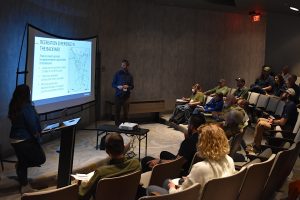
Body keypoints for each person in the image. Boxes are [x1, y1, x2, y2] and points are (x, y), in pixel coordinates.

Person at [146, 124, 235, 196]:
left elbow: (180, 194)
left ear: (203, 144)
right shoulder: (230, 160)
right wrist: (190, 179)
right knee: (166, 182)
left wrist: (172, 188)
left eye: (199, 140)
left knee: (151, 188)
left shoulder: (200, 168)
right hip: (216, 195)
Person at [79, 133, 141, 200]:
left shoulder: (101, 173)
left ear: (107, 151)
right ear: (123, 147)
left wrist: (82, 183)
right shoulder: (136, 164)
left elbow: (82, 195)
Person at [8, 84, 46, 193]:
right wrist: (37, 136)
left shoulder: (14, 105)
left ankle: (24, 186)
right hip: (24, 139)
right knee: (40, 158)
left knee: (23, 160)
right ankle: (20, 166)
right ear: (27, 94)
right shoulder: (26, 106)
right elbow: (32, 123)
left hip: (14, 139)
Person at [142, 114, 206, 176]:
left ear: (192, 126)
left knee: (146, 160)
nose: (187, 126)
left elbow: (177, 163)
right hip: (191, 167)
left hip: (180, 171)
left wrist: (159, 161)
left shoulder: (188, 142)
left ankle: (151, 181)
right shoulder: (204, 139)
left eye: (189, 124)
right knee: (163, 153)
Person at [249, 88, 298, 153]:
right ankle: (255, 144)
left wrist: (273, 121)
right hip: (280, 126)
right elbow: (282, 119)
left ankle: (257, 148)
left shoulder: (290, 105)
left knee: (261, 124)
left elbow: (282, 122)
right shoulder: (288, 104)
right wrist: (273, 120)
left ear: (288, 95)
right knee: (260, 119)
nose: (281, 94)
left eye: (284, 93)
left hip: (284, 130)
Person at [112, 59, 134, 126]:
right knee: (117, 113)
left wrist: (128, 86)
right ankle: (117, 126)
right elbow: (113, 84)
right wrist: (117, 87)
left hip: (126, 97)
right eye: (122, 65)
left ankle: (126, 127)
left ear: (127, 66)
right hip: (118, 96)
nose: (122, 66)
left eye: (124, 65)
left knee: (126, 114)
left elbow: (132, 86)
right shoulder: (117, 73)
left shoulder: (130, 75)